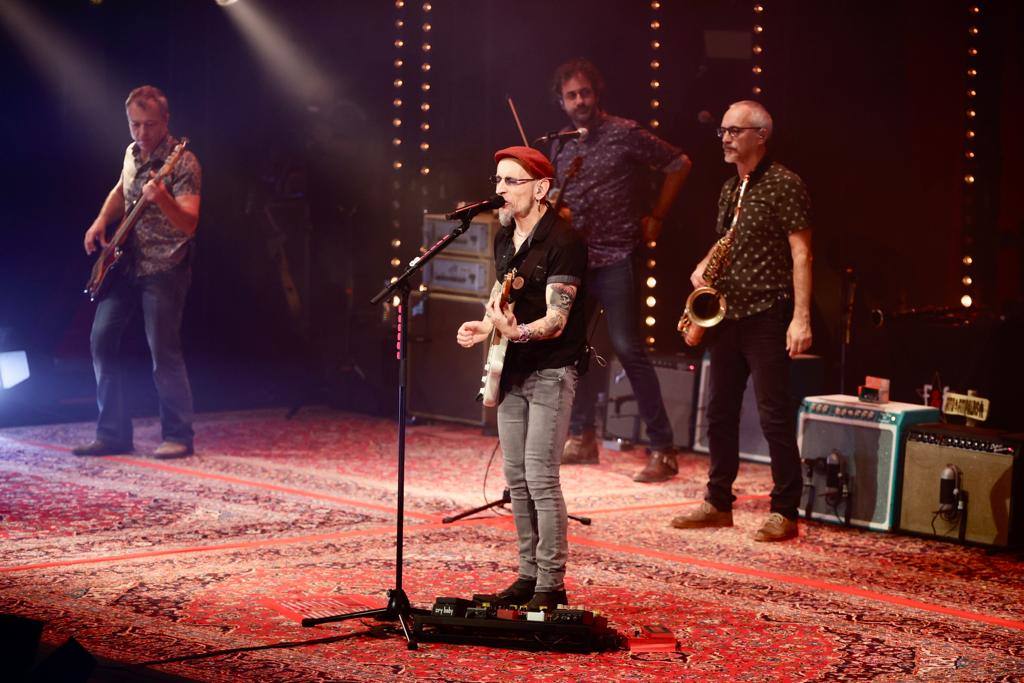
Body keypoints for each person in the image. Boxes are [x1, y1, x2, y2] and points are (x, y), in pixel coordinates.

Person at [670, 100, 813, 542]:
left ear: (761, 136)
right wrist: (704, 265)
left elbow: (802, 252)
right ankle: (718, 502)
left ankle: (785, 510)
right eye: (724, 131)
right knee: (718, 413)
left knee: (773, 415)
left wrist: (800, 317)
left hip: (767, 313)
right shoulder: (732, 188)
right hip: (728, 314)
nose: (726, 138)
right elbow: (726, 240)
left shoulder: (785, 185)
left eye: (735, 131)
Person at [549, 58, 692, 483]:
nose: (581, 102)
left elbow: (679, 163)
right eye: (572, 95)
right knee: (575, 351)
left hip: (617, 257)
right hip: (577, 260)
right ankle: (581, 437)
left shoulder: (623, 133)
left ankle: (663, 450)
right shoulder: (559, 144)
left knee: (628, 349)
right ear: (561, 101)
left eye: (586, 93)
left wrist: (658, 217)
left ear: (598, 94)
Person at [456, 146, 587, 609]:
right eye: (497, 181)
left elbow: (557, 319)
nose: (500, 191)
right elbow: (502, 292)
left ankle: (552, 582)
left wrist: (519, 332)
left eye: (511, 182)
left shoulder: (563, 240)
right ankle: (528, 575)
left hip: (551, 370)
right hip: (511, 369)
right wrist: (487, 325)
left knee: (541, 476)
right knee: (516, 477)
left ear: (540, 187)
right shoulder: (505, 236)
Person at [73, 86, 201, 460]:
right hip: (126, 265)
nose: (141, 133)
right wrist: (100, 220)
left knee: (163, 352)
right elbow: (120, 188)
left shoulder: (184, 162)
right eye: (134, 125)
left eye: (149, 125)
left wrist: (161, 198)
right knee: (101, 341)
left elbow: (189, 223)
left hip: (165, 266)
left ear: (166, 121)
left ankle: (178, 435)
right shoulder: (131, 152)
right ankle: (112, 434)